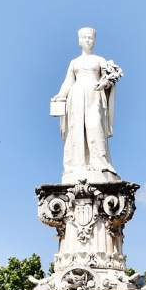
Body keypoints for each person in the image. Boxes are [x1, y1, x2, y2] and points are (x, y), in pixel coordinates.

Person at [51, 28, 122, 183]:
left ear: (94, 41)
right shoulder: (74, 62)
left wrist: (107, 81)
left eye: (90, 38)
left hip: (94, 95)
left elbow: (109, 77)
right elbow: (69, 82)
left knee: (94, 126)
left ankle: (99, 162)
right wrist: (61, 94)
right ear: (79, 41)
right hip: (76, 96)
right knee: (77, 128)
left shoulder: (99, 60)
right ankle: (79, 164)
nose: (88, 40)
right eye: (85, 38)